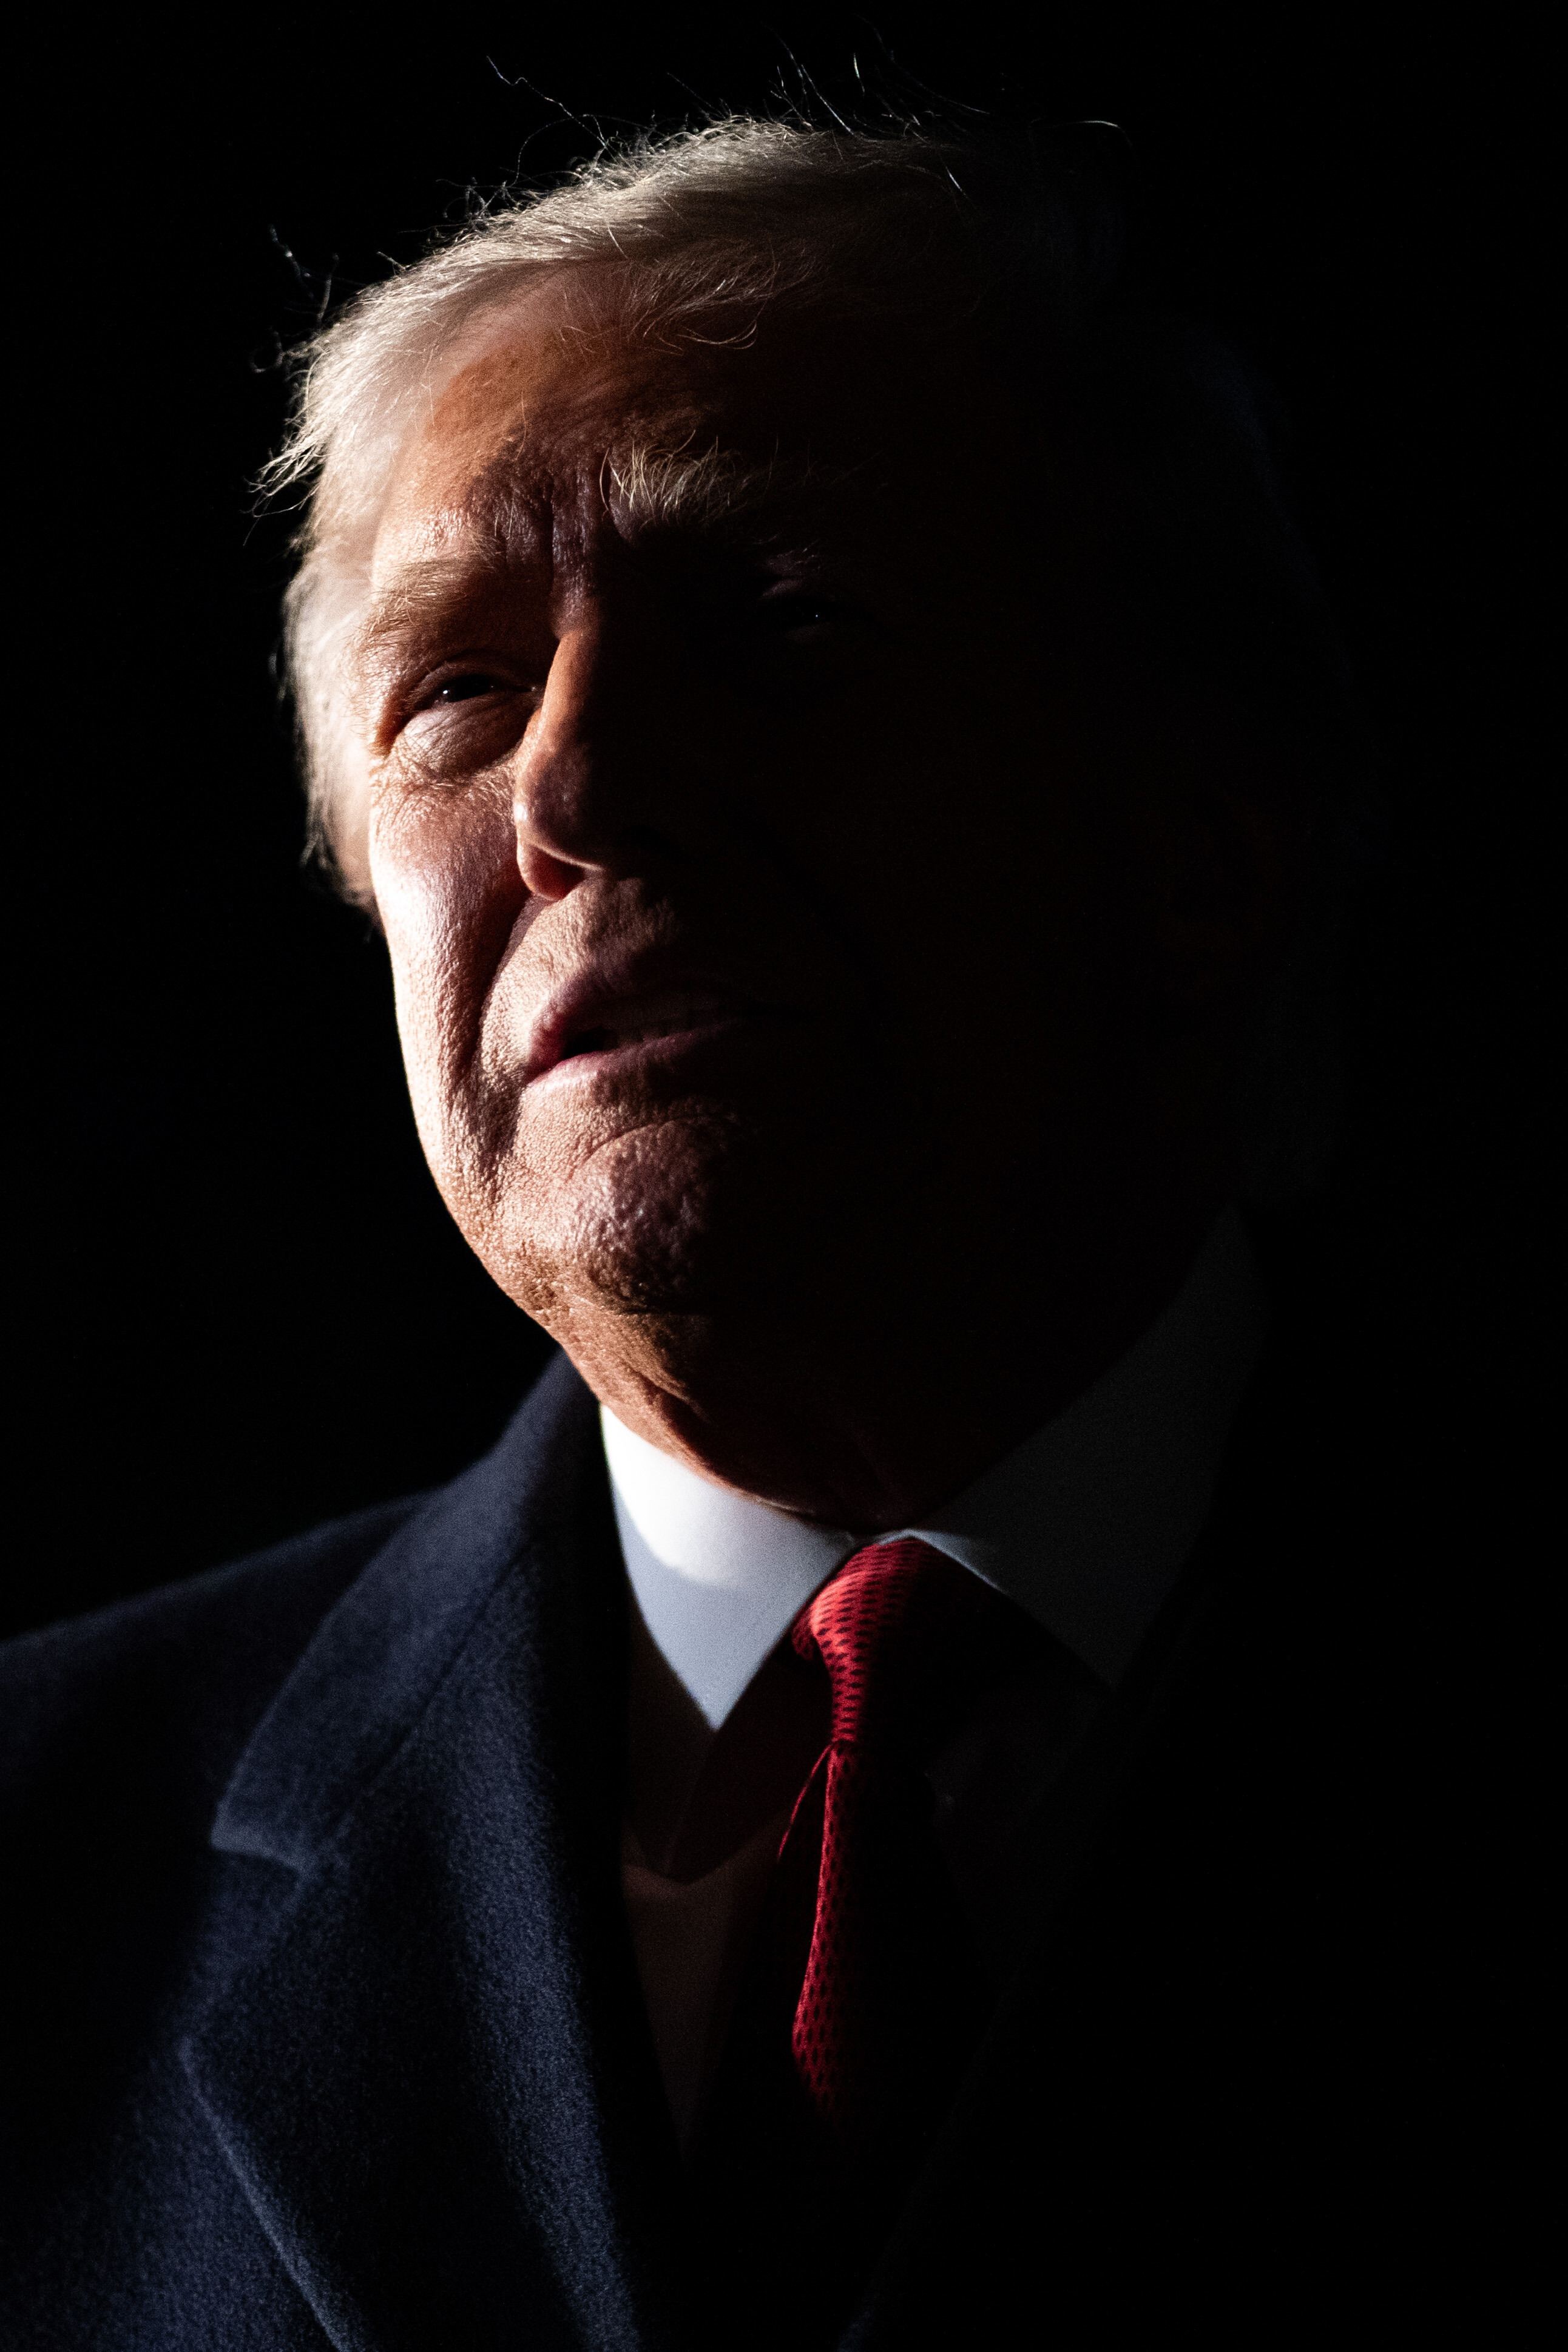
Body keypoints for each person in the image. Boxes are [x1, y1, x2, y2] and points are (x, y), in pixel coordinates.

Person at [3, 120, 1377, 2348]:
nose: (567, 788)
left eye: (791, 621)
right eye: (453, 687)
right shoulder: (40, 1848)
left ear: (1200, 847)